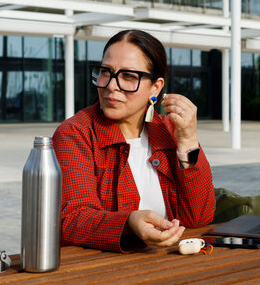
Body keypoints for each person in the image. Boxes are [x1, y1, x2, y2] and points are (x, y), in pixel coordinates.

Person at [52, 29, 216, 252]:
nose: (111, 85)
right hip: (99, 272)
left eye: (128, 76)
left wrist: (188, 142)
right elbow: (72, 220)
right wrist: (128, 224)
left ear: (155, 87)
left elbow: (199, 217)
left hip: (171, 265)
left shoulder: (169, 131)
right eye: (105, 72)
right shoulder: (75, 134)